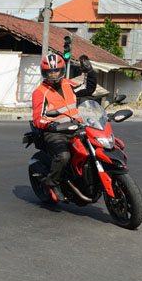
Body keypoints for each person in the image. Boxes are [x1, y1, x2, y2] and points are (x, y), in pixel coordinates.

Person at [32, 53, 96, 202]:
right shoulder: (40, 92)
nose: (53, 73)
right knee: (63, 156)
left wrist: (89, 71)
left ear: (62, 70)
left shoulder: (68, 84)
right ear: (45, 72)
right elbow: (38, 118)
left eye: (56, 70)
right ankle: (52, 183)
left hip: (76, 127)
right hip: (55, 132)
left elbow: (88, 88)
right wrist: (52, 124)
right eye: (50, 71)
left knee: (96, 145)